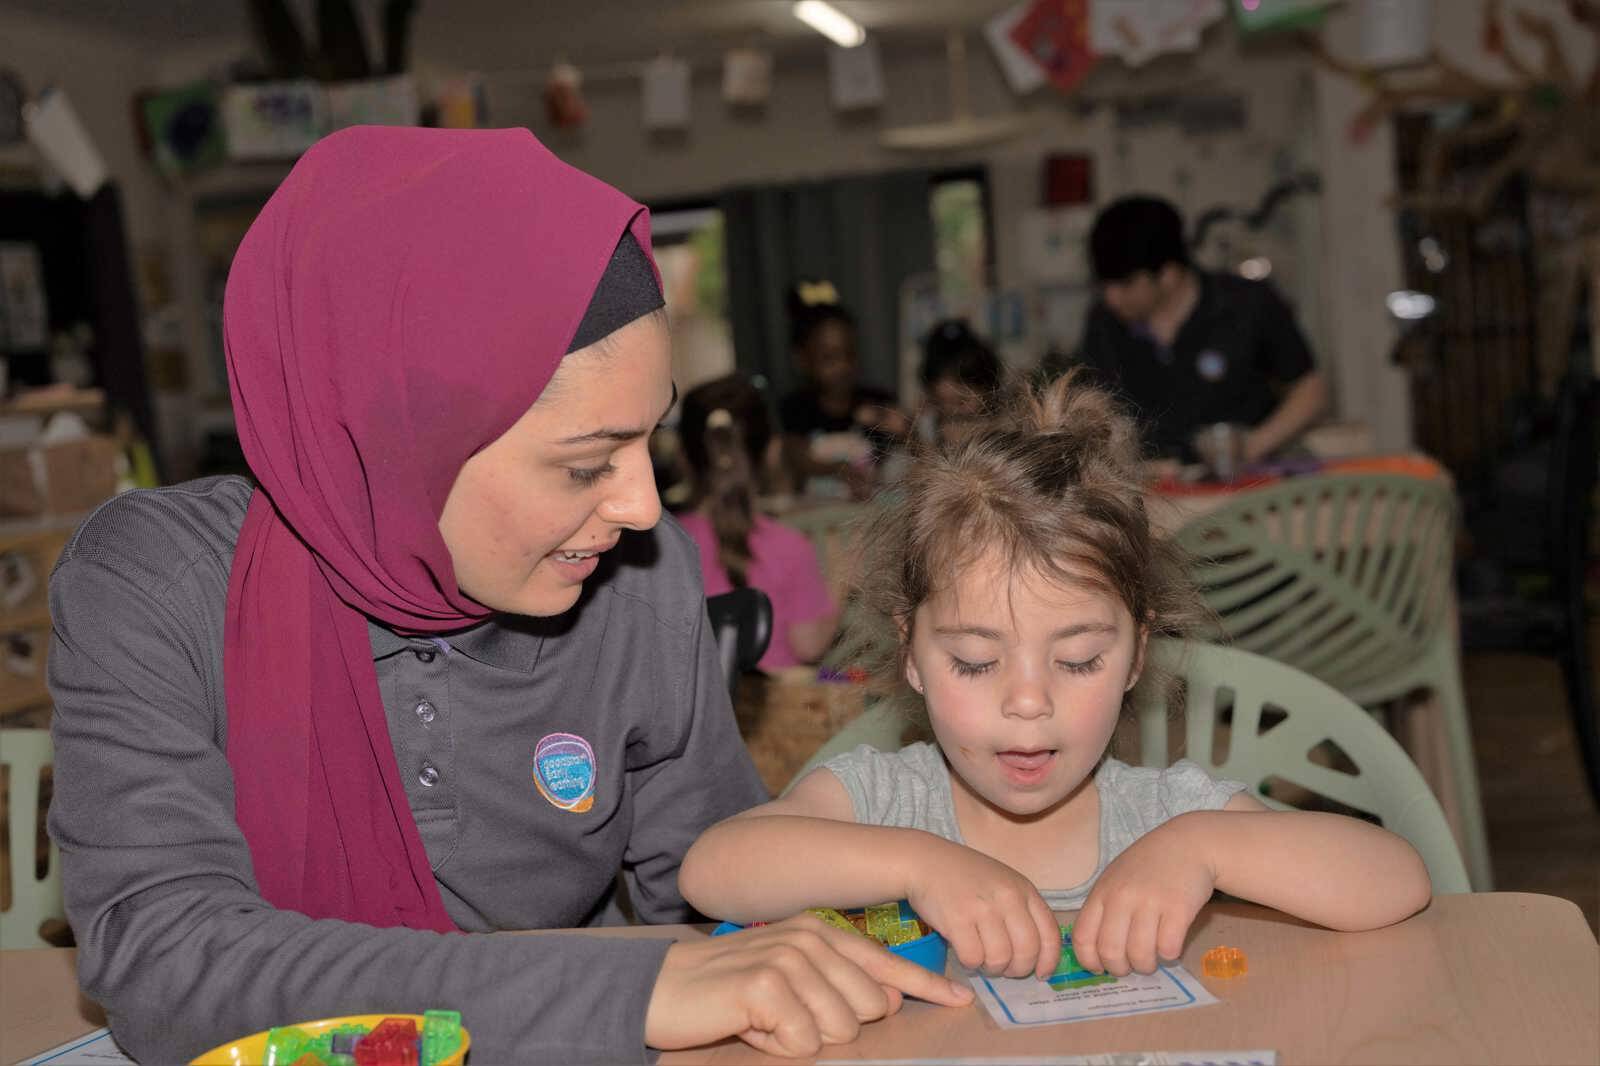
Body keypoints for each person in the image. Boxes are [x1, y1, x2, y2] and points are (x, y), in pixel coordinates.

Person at [45, 127, 969, 1064]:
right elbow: (168, 960)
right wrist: (620, 990)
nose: (644, 507)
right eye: (583, 466)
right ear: (404, 441)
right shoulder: (158, 587)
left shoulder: (639, 586)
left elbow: (720, 887)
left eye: (650, 441)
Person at [680, 373, 1431, 980]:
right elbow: (714, 869)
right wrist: (918, 864)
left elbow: (1397, 880)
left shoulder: (1165, 815)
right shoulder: (885, 803)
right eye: (975, 662)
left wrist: (1205, 848)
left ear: (1137, 653)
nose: (1030, 702)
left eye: (1078, 661)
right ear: (911, 653)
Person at [1042, 196, 1328, 464]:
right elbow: (1090, 405)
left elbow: (1310, 390)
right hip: (1153, 496)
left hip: (1246, 488)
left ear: (1168, 274)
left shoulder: (1248, 303)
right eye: (1104, 285)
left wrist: (1252, 447)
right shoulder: (1103, 323)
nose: (1111, 297)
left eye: (1125, 284)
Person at [676, 374, 838, 669]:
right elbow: (809, 646)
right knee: (856, 680)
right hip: (780, 706)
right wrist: (842, 578)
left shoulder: (657, 548)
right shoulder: (790, 546)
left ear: (683, 457)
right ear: (772, 452)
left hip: (692, 712)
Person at [777, 281, 909, 498]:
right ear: (802, 360)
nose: (843, 367)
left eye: (850, 355)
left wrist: (905, 430)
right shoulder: (797, 407)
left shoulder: (877, 401)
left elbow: (910, 454)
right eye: (829, 358)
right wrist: (840, 470)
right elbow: (795, 456)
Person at [917, 318, 1005, 448]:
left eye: (962, 401)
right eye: (940, 402)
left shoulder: (1006, 427)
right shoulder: (928, 427)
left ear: (988, 390)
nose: (953, 411)